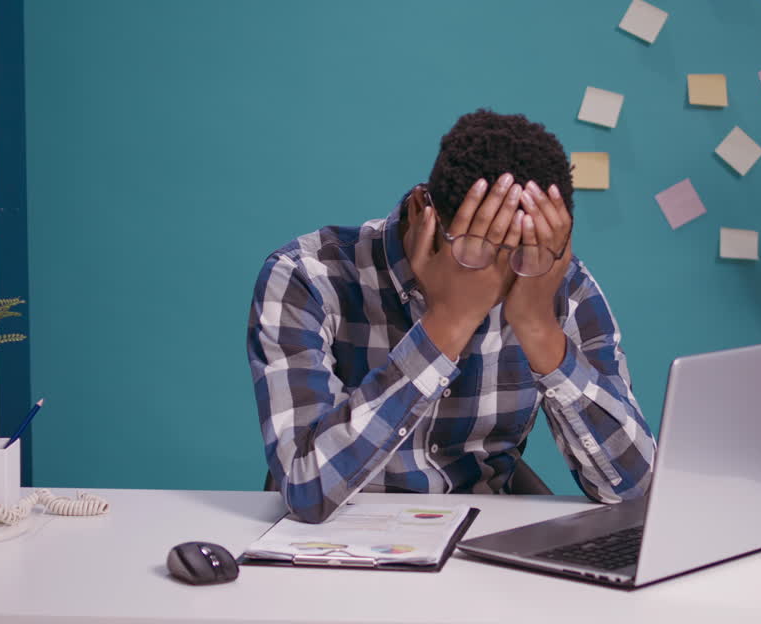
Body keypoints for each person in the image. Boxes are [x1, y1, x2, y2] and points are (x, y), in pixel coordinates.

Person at [247, 109, 655, 523]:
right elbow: (306, 488)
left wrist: (538, 327)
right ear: (423, 211)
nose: (500, 280)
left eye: (522, 253)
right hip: (339, 538)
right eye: (480, 249)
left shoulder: (553, 280)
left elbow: (633, 488)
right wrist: (448, 323)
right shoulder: (307, 276)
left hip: (483, 541)